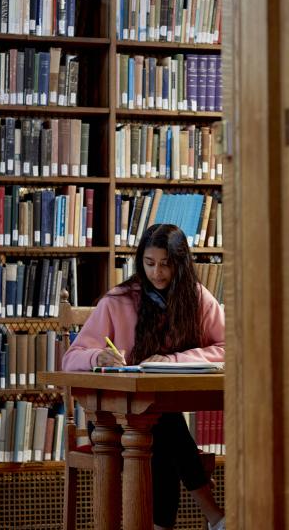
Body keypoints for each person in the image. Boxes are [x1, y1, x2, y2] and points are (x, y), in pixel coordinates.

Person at [62, 223, 225, 530]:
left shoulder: (196, 298)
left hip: (156, 418)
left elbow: (230, 346)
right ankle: (214, 515)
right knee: (160, 425)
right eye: (149, 264)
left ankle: (182, 523)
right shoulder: (118, 300)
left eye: (166, 264)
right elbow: (70, 358)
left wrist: (174, 360)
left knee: (158, 426)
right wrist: (98, 356)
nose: (157, 273)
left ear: (180, 263)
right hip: (111, 420)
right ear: (140, 262)